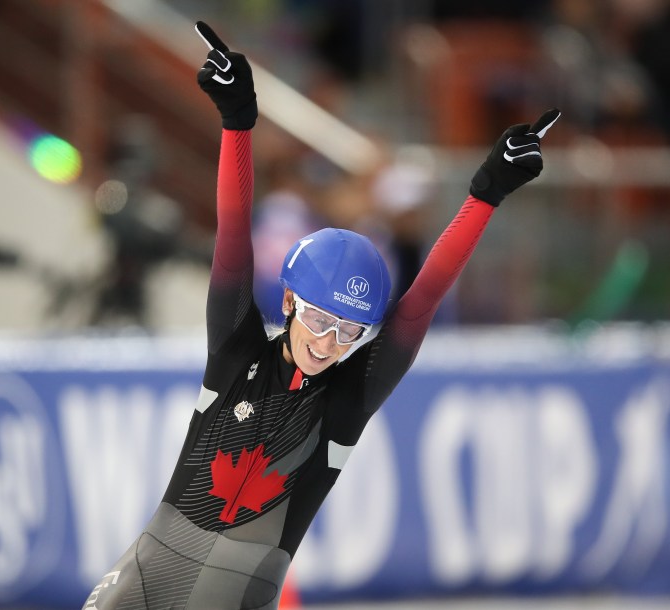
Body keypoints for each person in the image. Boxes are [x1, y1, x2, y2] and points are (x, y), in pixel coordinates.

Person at [81, 21, 559, 610]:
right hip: (141, 587)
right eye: (320, 320)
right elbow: (233, 238)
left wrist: (486, 194)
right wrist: (237, 124)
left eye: (349, 331)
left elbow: (420, 303)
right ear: (287, 303)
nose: (330, 342)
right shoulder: (235, 352)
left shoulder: (347, 401)